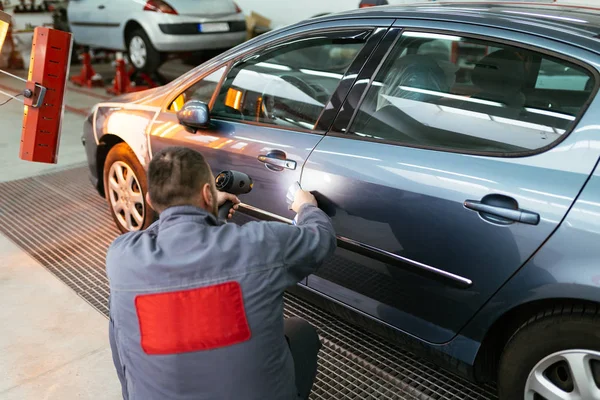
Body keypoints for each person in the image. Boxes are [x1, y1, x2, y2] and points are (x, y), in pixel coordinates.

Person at [106, 146, 337, 400]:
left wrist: (198, 213)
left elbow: (121, 357)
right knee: (301, 332)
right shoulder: (258, 243)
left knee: (120, 320)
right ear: (208, 193)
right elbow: (321, 239)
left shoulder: (121, 257)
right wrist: (306, 207)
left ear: (150, 201)